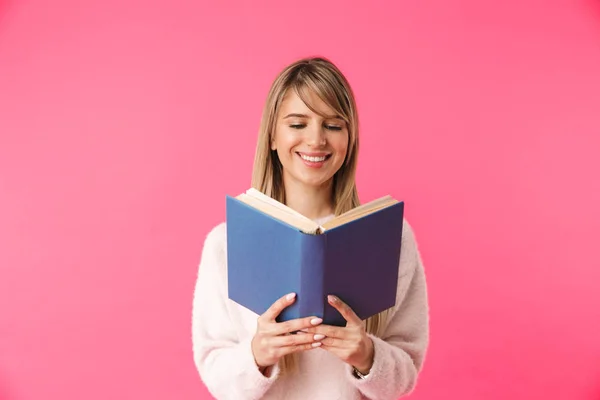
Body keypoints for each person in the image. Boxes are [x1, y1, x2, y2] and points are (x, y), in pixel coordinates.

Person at [191, 56, 430, 400]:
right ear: (273, 136)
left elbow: (405, 372)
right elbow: (216, 373)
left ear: (349, 140)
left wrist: (367, 355)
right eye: (298, 124)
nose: (316, 140)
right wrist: (257, 354)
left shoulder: (391, 237)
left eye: (333, 125)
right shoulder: (225, 243)